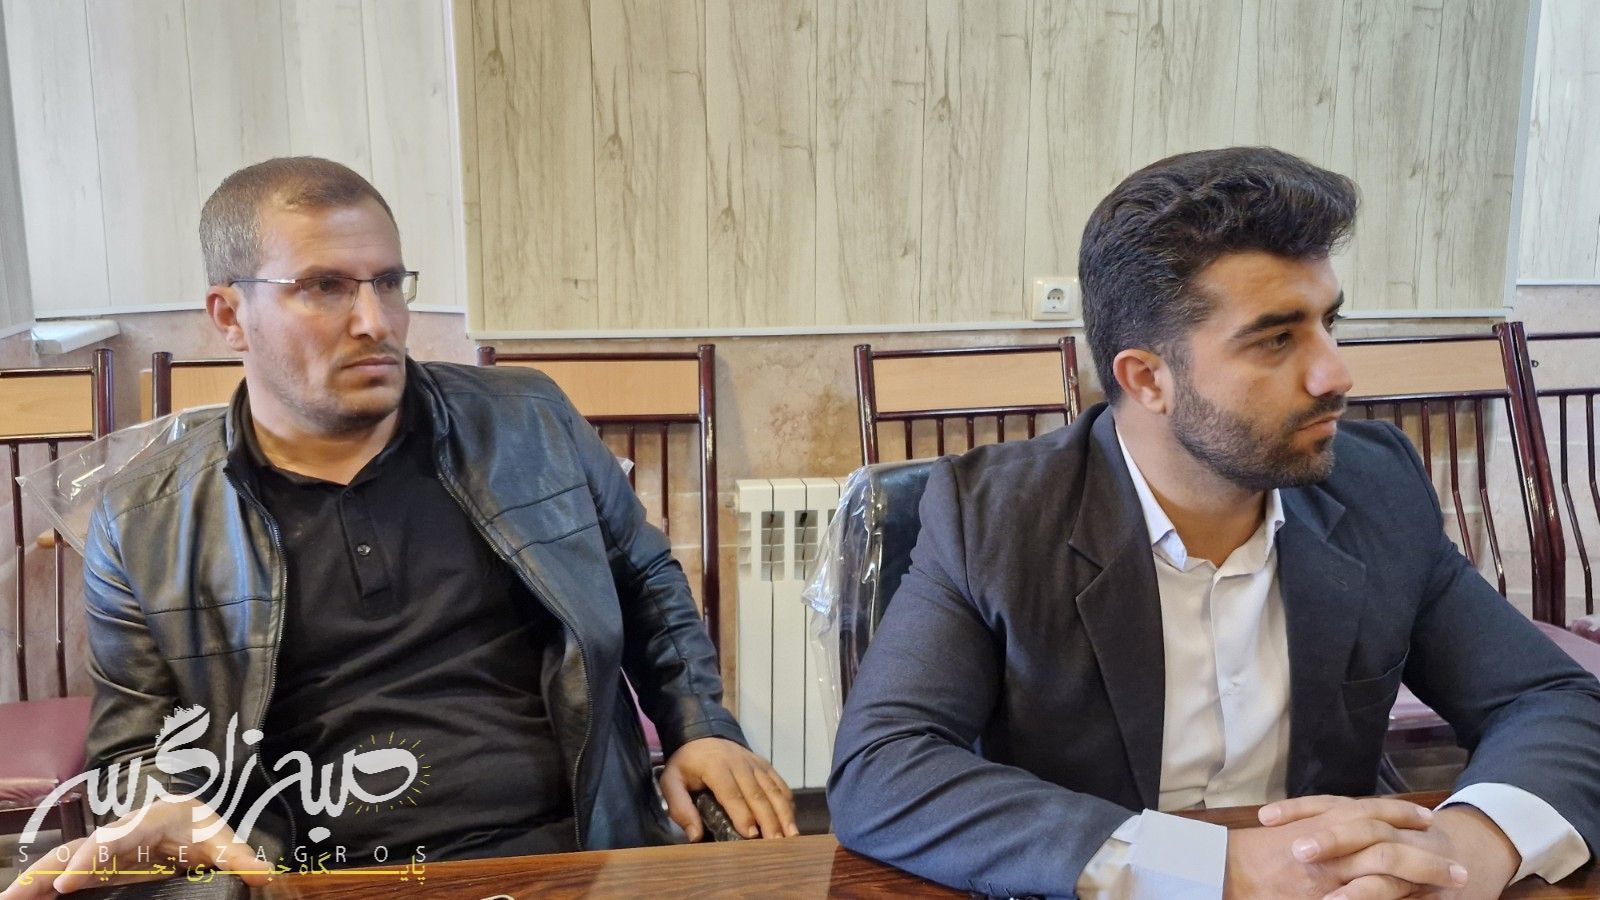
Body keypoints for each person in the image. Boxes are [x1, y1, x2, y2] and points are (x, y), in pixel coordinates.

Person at [3, 157, 794, 898]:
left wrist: (700, 725)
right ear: (230, 315)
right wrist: (160, 807)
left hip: (567, 857)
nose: (375, 321)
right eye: (324, 287)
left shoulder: (527, 422)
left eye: (387, 281)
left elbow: (644, 578)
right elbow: (135, 748)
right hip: (316, 878)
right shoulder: (143, 522)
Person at [828, 147, 1600, 899]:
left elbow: (1551, 701)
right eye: (1276, 338)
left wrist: (1472, 848)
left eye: (1329, 322)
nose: (1336, 373)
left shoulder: (1375, 487)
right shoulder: (996, 515)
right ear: (1147, 379)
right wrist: (1217, 868)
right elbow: (884, 768)